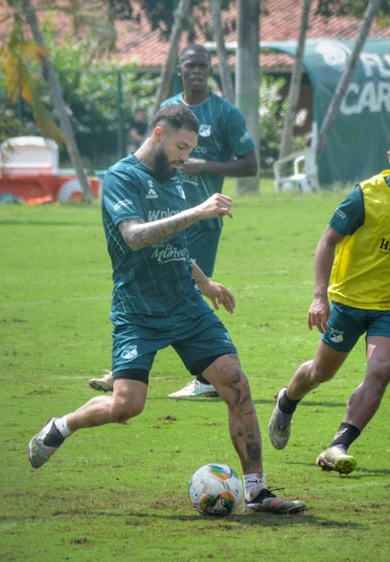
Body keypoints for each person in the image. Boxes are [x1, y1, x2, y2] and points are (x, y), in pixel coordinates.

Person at [27, 104, 305, 514]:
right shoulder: (122, 177)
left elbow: (173, 244)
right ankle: (61, 426)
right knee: (127, 406)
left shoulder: (174, 178)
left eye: (190, 149)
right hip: (138, 309)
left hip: (186, 305)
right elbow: (136, 236)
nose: (185, 157)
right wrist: (198, 211)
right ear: (157, 133)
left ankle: (258, 492)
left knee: (236, 384)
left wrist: (203, 282)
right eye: (180, 146)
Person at [267, 124, 390, 474]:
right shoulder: (365, 196)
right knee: (319, 373)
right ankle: (287, 399)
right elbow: (327, 241)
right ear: (389, 156)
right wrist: (318, 297)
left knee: (382, 369)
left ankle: (338, 444)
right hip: (350, 301)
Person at [90, 44, 258, 398]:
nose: (196, 71)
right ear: (179, 69)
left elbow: (251, 165)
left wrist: (204, 167)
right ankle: (130, 368)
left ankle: (199, 376)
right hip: (168, 214)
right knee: (163, 287)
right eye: (189, 66)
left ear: (210, 70)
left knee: (183, 293)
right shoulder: (168, 113)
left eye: (202, 66)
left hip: (205, 219)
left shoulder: (224, 112)